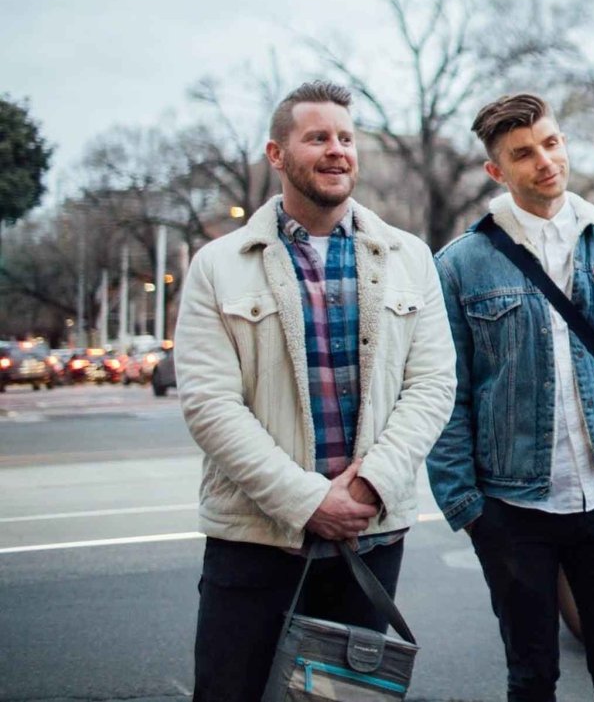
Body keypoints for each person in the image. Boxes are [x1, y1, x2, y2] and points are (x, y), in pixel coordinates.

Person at [175, 80, 457, 702]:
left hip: (369, 535)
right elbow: (209, 404)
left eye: (346, 138)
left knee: (342, 699)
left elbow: (433, 384)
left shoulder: (410, 257)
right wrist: (307, 501)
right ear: (277, 154)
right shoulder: (219, 264)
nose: (337, 150)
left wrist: (369, 486)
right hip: (255, 539)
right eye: (318, 137)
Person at [425, 92, 594, 702]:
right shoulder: (461, 265)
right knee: (531, 676)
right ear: (496, 171)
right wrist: (469, 508)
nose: (545, 161)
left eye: (551, 143)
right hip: (512, 506)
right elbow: (445, 393)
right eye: (524, 153)